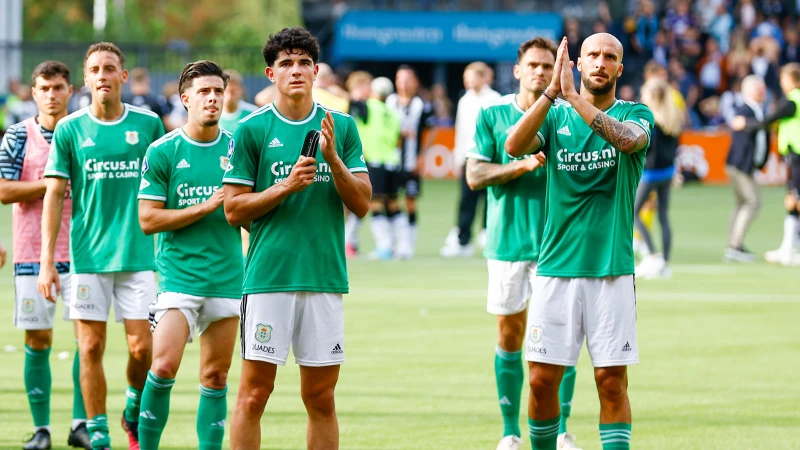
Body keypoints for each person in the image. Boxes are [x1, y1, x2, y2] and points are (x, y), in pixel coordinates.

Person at [222, 27, 371, 450]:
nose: (296, 70)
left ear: (316, 70)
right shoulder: (251, 130)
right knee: (253, 394)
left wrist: (334, 162)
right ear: (271, 73)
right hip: (270, 278)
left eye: (304, 62)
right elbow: (233, 209)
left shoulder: (340, 126)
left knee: (321, 397)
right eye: (286, 63)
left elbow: (362, 203)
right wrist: (284, 187)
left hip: (324, 278)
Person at [506, 34, 654, 450]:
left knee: (610, 383)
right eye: (592, 55)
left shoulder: (636, 113)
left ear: (620, 69)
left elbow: (627, 140)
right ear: (577, 63)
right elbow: (514, 145)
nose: (600, 62)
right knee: (540, 380)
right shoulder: (554, 116)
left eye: (610, 57)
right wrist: (554, 92)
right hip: (555, 270)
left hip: (611, 271)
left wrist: (574, 98)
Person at [39, 42, 165, 450]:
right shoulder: (70, 129)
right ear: (86, 79)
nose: (103, 75)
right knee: (89, 346)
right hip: (88, 258)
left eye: (110, 68)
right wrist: (46, 261)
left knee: (143, 349)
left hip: (139, 255)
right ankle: (97, 431)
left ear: (123, 77)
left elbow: (166, 189)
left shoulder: (148, 125)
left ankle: (131, 404)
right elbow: (54, 195)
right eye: (95, 69)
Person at [465, 38, 581, 450]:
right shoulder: (492, 115)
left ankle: (562, 428)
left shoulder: (568, 116)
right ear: (516, 70)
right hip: (509, 243)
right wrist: (523, 165)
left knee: (561, 340)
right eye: (532, 64)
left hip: (558, 247)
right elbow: (475, 177)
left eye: (547, 65)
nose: (539, 70)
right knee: (510, 335)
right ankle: (510, 431)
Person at [136, 60, 243, 450]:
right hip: (179, 279)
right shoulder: (163, 150)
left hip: (229, 277)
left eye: (218, 91)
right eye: (204, 92)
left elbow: (249, 212)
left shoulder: (238, 148)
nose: (212, 98)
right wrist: (205, 207)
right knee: (163, 367)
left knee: (215, 378)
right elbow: (148, 219)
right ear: (185, 99)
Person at [0, 61, 91, 450]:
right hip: (31, 252)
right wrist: (51, 185)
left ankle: (81, 424)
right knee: (38, 339)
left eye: (58, 88)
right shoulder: (18, 135)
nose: (51, 95)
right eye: (44, 88)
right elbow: (4, 190)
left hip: (85, 251)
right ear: (33, 93)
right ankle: (42, 431)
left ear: (70, 91)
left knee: (88, 341)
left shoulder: (88, 133)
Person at [732, 63, 800, 265]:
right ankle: (788, 247)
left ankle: (789, 248)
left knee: (796, 201)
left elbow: (767, 120)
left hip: (798, 156)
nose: (781, 82)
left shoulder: (792, 101)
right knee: (791, 200)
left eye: (784, 79)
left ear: (792, 80)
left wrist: (745, 123)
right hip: (794, 157)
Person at [441, 62, 501, 258]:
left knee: (490, 198)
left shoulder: (495, 99)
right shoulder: (464, 100)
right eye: (467, 77)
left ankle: (488, 235)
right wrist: (459, 158)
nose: (469, 81)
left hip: (491, 157)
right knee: (467, 199)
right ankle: (462, 240)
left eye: (473, 77)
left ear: (484, 78)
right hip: (470, 157)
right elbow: (460, 131)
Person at [634, 78, 686, 279]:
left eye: (645, 93)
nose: (642, 97)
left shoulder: (650, 120)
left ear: (652, 96)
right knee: (663, 216)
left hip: (650, 174)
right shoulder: (673, 117)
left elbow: (647, 150)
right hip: (667, 172)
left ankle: (653, 256)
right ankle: (664, 262)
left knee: (633, 213)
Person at [386, 65, 436, 259]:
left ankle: (408, 245)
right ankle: (392, 242)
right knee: (390, 200)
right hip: (390, 160)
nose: (403, 83)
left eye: (407, 79)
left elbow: (431, 130)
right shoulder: (389, 102)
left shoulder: (422, 105)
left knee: (410, 201)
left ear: (415, 82)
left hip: (410, 161)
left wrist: (422, 155)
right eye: (399, 79)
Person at [352, 76, 402, 261]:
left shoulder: (368, 107)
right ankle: (402, 246)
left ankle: (384, 247)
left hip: (375, 161)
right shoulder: (392, 112)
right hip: (392, 162)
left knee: (376, 205)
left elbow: (350, 104)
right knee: (393, 204)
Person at [723, 75, 770, 263]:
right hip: (740, 165)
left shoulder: (756, 110)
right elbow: (740, 125)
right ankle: (734, 246)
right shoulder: (745, 109)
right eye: (759, 88)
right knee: (752, 202)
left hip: (744, 165)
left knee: (742, 203)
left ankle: (734, 245)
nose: (763, 92)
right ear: (748, 90)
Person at [219, 69, 258, 133]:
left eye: (233, 92)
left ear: (240, 90)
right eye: (226, 91)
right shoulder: (212, 113)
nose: (229, 97)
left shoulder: (253, 113)